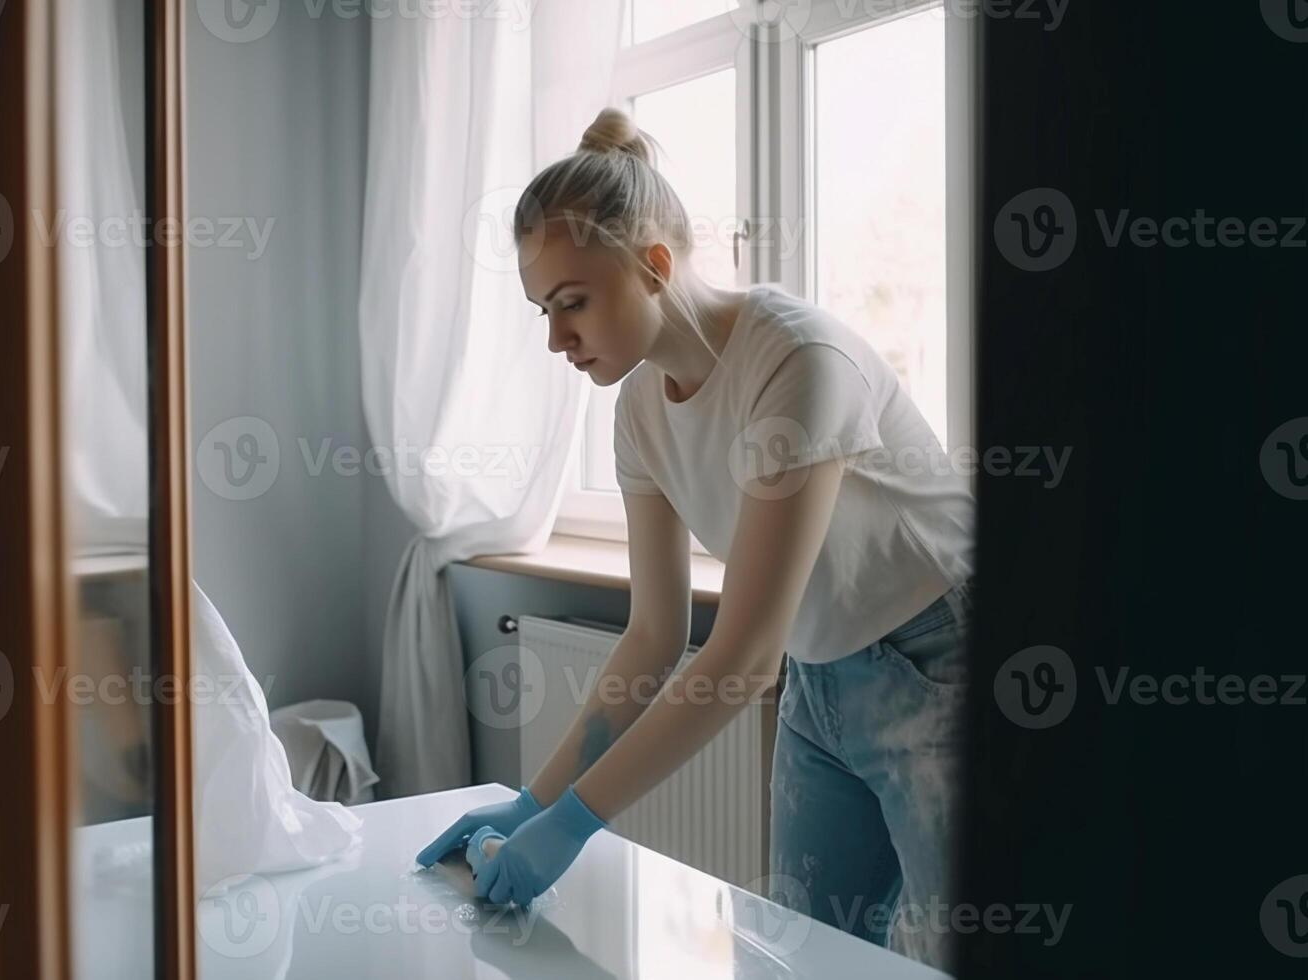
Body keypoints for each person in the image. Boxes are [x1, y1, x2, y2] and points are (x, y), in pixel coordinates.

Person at [415, 107, 975, 973]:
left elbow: (743, 655)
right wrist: (533, 803)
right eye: (542, 312)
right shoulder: (640, 408)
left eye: (573, 304)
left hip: (937, 656)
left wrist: (572, 825)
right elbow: (653, 637)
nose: (557, 338)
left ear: (655, 267)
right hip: (821, 672)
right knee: (806, 954)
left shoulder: (796, 359)